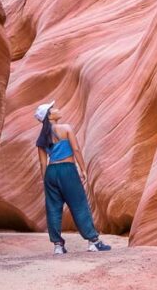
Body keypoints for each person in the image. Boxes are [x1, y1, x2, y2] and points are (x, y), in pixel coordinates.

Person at [34, 101, 112, 254]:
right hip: (67, 170)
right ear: (49, 115)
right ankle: (93, 242)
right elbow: (76, 149)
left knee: (53, 209)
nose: (57, 109)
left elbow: (43, 164)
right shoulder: (66, 128)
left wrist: (46, 181)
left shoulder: (42, 138)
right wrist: (83, 169)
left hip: (51, 171)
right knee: (79, 204)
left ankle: (58, 246)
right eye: (53, 108)